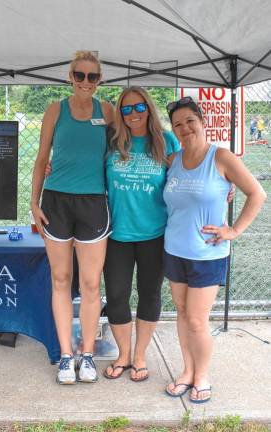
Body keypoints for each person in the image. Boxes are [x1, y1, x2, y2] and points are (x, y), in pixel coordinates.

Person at [163, 96, 267, 403]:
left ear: (203, 121)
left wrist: (233, 230)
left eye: (190, 122)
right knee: (181, 313)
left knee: (197, 320)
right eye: (178, 125)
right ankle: (187, 371)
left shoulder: (221, 157)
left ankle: (202, 375)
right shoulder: (173, 161)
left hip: (207, 254)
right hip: (174, 250)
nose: (184, 129)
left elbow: (257, 193)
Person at [31, 50, 114, 384]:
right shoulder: (56, 110)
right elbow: (41, 159)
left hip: (94, 203)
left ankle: (88, 354)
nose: (85, 82)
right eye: (79, 75)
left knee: (91, 283)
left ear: (99, 80)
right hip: (56, 203)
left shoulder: (107, 111)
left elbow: (131, 145)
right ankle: (67, 356)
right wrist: (34, 204)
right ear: (70, 76)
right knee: (60, 280)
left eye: (92, 77)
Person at [102, 87, 181, 382]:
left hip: (154, 234)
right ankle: (123, 354)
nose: (133, 114)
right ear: (120, 113)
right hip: (116, 235)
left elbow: (189, 173)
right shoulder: (112, 142)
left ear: (148, 108)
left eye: (139, 107)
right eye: (126, 109)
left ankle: (140, 355)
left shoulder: (167, 141)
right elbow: (86, 171)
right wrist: (51, 168)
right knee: (117, 296)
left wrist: (222, 187)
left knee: (149, 294)